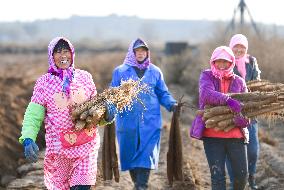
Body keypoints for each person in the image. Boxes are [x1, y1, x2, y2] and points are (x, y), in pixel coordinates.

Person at [19, 37, 115, 190]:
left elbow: (95, 112)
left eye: (66, 51)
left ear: (72, 53)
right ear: (51, 56)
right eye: (57, 52)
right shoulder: (44, 83)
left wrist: (107, 116)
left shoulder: (85, 78)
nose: (63, 55)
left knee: (81, 186)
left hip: (86, 146)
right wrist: (28, 138)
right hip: (59, 150)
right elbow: (33, 115)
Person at [110, 38, 177, 189]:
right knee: (131, 156)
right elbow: (112, 95)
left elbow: (163, 93)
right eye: (137, 51)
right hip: (127, 122)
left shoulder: (155, 72)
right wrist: (108, 111)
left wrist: (171, 104)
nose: (140, 54)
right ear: (132, 53)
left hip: (150, 122)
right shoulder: (120, 71)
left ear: (147, 53)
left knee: (146, 155)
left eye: (143, 51)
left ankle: (142, 185)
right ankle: (137, 184)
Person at [191, 46, 250, 190]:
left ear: (231, 62)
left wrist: (245, 120)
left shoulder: (240, 82)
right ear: (213, 62)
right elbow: (206, 94)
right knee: (217, 177)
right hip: (212, 135)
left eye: (226, 61)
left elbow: (248, 108)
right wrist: (228, 100)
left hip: (235, 136)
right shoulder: (207, 75)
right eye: (219, 61)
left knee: (242, 176)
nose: (222, 65)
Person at [226, 34, 261, 190]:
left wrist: (254, 94)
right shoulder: (225, 61)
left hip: (250, 112)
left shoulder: (251, 62)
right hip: (229, 113)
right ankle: (235, 183)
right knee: (232, 149)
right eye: (236, 46)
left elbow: (257, 82)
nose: (239, 50)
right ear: (231, 47)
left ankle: (251, 178)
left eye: (242, 47)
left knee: (252, 150)